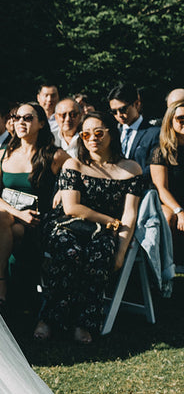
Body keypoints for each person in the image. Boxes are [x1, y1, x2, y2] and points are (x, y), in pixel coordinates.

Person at [37, 111, 144, 344]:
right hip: (67, 224)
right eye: (85, 134)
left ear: (111, 134)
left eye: (98, 133)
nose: (92, 138)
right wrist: (109, 220)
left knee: (101, 254)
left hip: (104, 232)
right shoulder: (73, 164)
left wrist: (121, 252)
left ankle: (83, 322)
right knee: (70, 252)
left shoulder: (131, 169)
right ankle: (49, 319)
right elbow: (72, 208)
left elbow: (130, 214)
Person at [0, 102, 68, 307]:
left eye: (28, 118)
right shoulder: (4, 154)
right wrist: (19, 214)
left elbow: (77, 174)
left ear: (41, 124)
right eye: (17, 118)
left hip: (36, 225)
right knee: (0, 218)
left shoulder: (53, 155)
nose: (21, 122)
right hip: (11, 220)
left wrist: (62, 190)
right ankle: (1, 287)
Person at [150, 100, 184, 257]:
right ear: (170, 121)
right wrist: (180, 211)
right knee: (169, 216)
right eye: (181, 119)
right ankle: (169, 262)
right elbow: (161, 188)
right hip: (169, 203)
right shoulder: (161, 152)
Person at [108, 83, 160, 179]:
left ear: (136, 104)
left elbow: (154, 167)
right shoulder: (113, 134)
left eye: (123, 109)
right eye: (114, 112)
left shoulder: (154, 133)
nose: (119, 115)